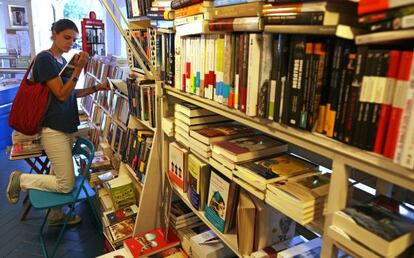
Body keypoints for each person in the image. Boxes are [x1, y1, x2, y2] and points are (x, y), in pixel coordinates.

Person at [6, 19, 110, 226]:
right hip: (53, 130)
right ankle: (21, 179)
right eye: (66, 37)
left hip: (65, 126)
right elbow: (61, 95)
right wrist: (79, 68)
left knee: (57, 170)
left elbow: (70, 94)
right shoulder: (46, 59)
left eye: (73, 39)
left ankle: (56, 215)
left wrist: (97, 88)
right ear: (54, 33)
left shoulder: (62, 62)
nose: (70, 42)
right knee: (65, 184)